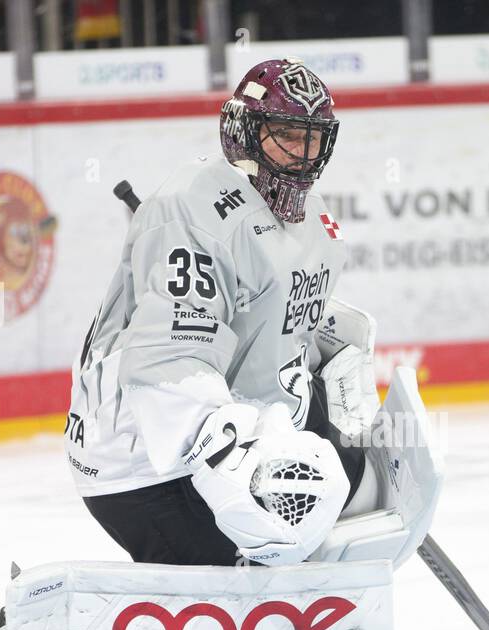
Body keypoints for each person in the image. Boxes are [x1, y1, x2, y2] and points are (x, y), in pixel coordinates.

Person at [65, 58, 376, 568]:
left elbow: (278, 316)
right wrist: (235, 461)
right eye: (286, 136)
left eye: (313, 138)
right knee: (257, 572)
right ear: (244, 132)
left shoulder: (313, 219)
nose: (303, 155)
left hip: (245, 414)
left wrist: (327, 359)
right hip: (144, 461)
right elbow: (171, 360)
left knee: (352, 479)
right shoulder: (188, 212)